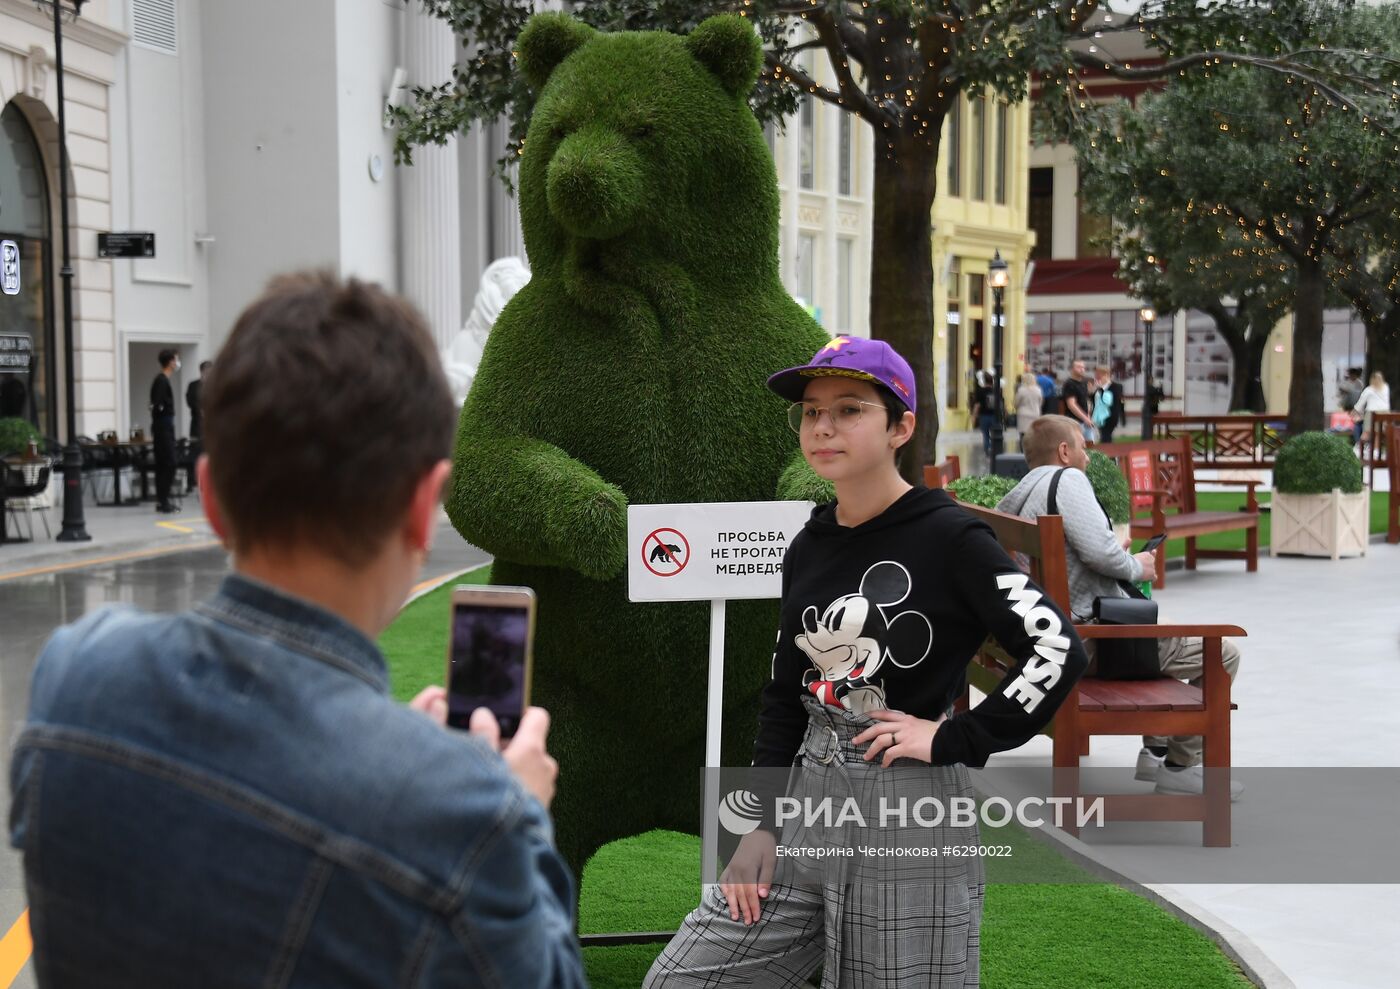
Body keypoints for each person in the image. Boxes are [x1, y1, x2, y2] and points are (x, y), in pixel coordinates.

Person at [9, 272, 585, 987]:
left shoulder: (77, 676)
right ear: (423, 508)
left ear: (213, 498)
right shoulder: (464, 817)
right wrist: (520, 819)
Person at [646, 338, 1088, 988]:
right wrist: (758, 824)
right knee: (682, 979)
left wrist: (955, 736)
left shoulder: (952, 538)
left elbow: (1057, 647)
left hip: (907, 803)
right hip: (808, 799)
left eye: (849, 409)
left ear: (900, 426)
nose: (823, 427)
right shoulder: (809, 544)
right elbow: (783, 693)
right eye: (811, 412)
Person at [996, 415, 1243, 798]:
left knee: (1164, 631)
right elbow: (1100, 553)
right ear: (1064, 452)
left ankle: (1154, 751)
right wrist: (1136, 565)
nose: (1088, 458)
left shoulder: (1019, 494)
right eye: (1082, 446)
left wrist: (1115, 558)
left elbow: (1085, 553)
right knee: (1223, 652)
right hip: (1089, 643)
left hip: (1048, 638)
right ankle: (1178, 766)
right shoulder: (1067, 480)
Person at [149, 348, 180, 513]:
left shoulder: (163, 380)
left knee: (164, 463)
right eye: (175, 359)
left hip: (165, 425)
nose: (177, 363)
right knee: (169, 463)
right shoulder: (161, 381)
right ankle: (163, 499)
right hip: (163, 426)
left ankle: (163, 500)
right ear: (170, 362)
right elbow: (157, 405)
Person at [186, 359, 212, 489]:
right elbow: (190, 401)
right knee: (195, 452)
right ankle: (193, 480)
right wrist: (200, 410)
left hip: (211, 425)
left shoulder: (214, 384)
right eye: (207, 371)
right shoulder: (193, 385)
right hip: (197, 424)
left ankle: (209, 479)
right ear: (202, 371)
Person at [1059, 359, 1096, 442]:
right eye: (1078, 367)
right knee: (1077, 446)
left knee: (1090, 446)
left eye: (1083, 367)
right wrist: (1085, 418)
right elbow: (1071, 404)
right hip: (1074, 421)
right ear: (1072, 369)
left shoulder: (1084, 382)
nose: (1082, 369)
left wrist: (1088, 416)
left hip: (1086, 420)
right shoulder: (1069, 384)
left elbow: (1086, 400)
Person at [1353, 371, 1390, 450]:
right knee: (1378, 433)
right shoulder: (1386, 388)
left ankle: (1359, 447)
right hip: (1384, 412)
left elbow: (1361, 402)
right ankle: (1376, 450)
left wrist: (1355, 410)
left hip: (1372, 413)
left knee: (1366, 432)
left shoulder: (1369, 390)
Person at [1091, 365, 1126, 443]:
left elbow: (1109, 401)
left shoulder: (1116, 387)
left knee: (1106, 436)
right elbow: (1094, 401)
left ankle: (1109, 453)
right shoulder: (1098, 386)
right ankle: (1108, 453)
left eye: (1099, 375)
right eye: (1096, 375)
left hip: (1109, 416)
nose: (1097, 377)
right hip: (1099, 416)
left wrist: (1101, 388)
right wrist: (1092, 392)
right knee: (1104, 436)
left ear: (1106, 375)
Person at [970, 368, 997, 457]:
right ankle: (994, 450)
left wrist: (974, 416)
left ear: (984, 380)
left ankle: (987, 452)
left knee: (985, 435)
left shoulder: (980, 391)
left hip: (984, 415)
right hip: (994, 415)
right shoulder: (996, 391)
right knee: (994, 435)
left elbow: (977, 405)